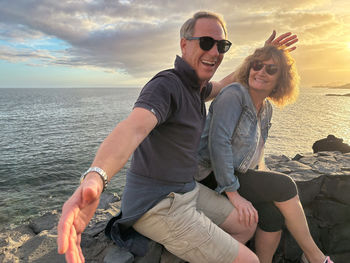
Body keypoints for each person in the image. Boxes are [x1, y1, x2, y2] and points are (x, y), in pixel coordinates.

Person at [57, 11, 298, 263]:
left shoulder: (195, 87)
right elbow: (133, 128)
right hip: (157, 204)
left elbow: (224, 83)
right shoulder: (166, 86)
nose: (215, 52)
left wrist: (260, 55)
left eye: (221, 46)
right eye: (206, 42)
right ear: (184, 44)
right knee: (251, 261)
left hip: (186, 190)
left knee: (246, 223)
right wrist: (96, 176)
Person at [196, 45, 333, 263]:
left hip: (236, 174)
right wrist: (233, 194)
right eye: (257, 65)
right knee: (285, 185)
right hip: (209, 175)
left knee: (272, 215)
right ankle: (315, 257)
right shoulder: (234, 94)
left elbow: (256, 152)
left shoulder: (266, 108)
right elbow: (217, 144)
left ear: (281, 80)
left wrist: (262, 183)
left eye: (271, 69)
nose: (260, 71)